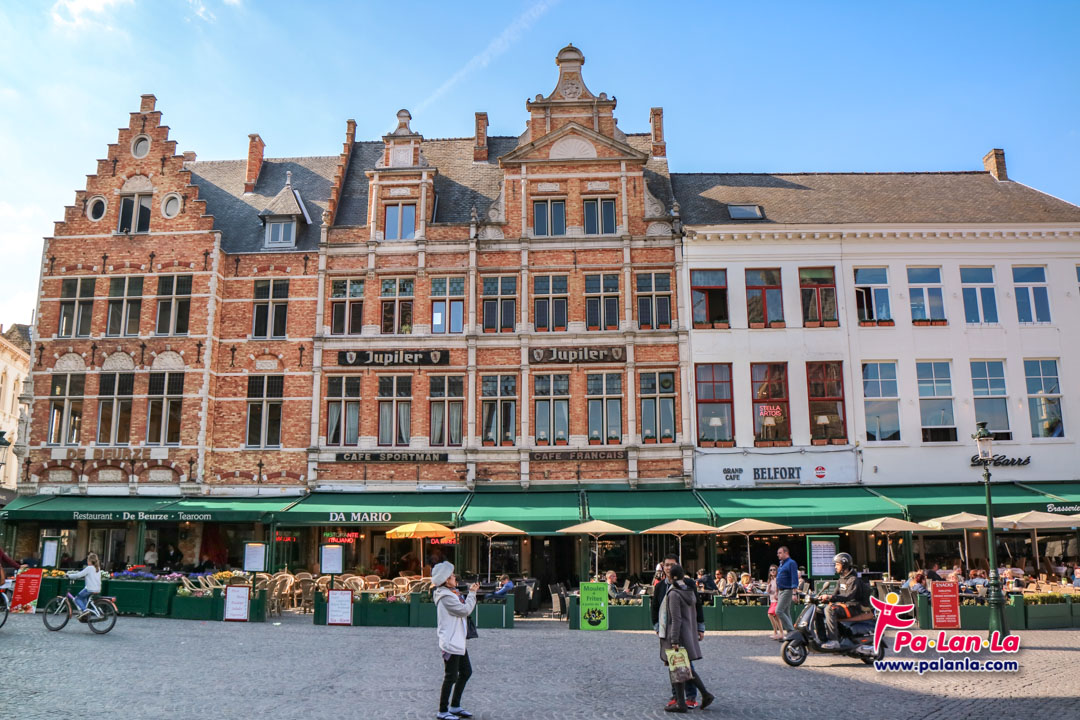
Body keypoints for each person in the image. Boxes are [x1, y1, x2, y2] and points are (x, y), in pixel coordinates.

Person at [656, 562, 714, 713]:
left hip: (678, 635)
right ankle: (703, 695)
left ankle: (682, 703)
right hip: (688, 633)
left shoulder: (674, 593)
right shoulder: (689, 591)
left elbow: (676, 619)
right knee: (683, 667)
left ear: (671, 577)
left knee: (677, 666)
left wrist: (674, 640)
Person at [432, 561, 479, 720]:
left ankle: (455, 706)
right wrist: (472, 594)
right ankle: (442, 710)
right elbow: (464, 610)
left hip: (458, 641)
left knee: (466, 672)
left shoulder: (452, 593)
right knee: (450, 676)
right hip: (451, 642)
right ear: (446, 580)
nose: (455, 578)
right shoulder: (446, 597)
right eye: (452, 576)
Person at [819, 552, 869, 650]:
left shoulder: (853, 579)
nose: (835, 567)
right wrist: (824, 598)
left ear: (844, 565)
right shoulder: (841, 579)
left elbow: (848, 596)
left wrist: (830, 597)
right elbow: (835, 594)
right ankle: (822, 638)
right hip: (844, 606)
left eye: (837, 564)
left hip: (853, 607)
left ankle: (834, 641)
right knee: (819, 609)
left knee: (830, 609)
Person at [66, 552, 102, 618]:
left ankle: (85, 611)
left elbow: (78, 575)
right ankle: (85, 614)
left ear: (90, 561)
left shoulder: (89, 568)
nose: (87, 562)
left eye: (87, 560)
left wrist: (69, 576)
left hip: (90, 588)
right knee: (84, 597)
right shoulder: (98, 568)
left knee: (77, 599)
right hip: (97, 588)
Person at [775, 546, 799, 638]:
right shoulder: (781, 564)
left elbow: (794, 578)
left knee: (779, 611)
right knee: (785, 611)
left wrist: (794, 593)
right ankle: (790, 633)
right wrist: (777, 592)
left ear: (786, 553)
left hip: (787, 590)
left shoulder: (791, 563)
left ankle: (792, 631)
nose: (778, 555)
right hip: (781, 590)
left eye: (780, 553)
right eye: (778, 553)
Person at [766, 565, 783, 640]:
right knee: (775, 616)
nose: (772, 571)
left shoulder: (778, 579)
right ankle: (777, 632)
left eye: (774, 570)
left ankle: (778, 632)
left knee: (771, 614)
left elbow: (779, 588)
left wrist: (776, 593)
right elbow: (768, 591)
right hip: (772, 599)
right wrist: (768, 587)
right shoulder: (770, 580)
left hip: (777, 599)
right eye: (771, 570)